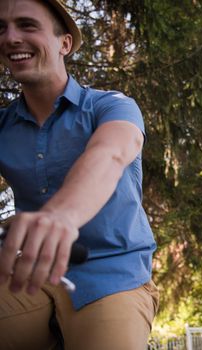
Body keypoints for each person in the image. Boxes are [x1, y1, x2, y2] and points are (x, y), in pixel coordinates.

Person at [0, 1, 158, 349]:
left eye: (27, 25)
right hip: (30, 274)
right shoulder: (3, 126)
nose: (11, 38)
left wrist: (60, 217)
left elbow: (111, 153)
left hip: (113, 275)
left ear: (64, 43)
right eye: (2, 28)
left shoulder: (111, 105)